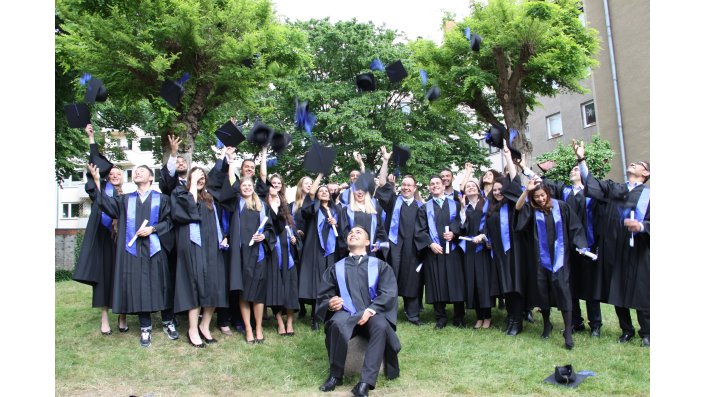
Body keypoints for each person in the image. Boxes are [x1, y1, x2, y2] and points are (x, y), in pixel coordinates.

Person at [88, 163, 177, 348]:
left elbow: (169, 222)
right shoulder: (125, 200)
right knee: (140, 287)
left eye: (141, 171)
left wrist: (153, 228)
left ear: (151, 178)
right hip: (134, 251)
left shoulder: (162, 199)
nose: (137, 172)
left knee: (162, 284)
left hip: (155, 249)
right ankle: (145, 326)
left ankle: (168, 322)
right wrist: (97, 182)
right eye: (135, 172)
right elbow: (107, 205)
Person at [573, 139, 651, 347]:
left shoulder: (649, 196)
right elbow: (592, 184)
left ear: (646, 174)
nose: (633, 164)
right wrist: (581, 159)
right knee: (617, 290)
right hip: (614, 249)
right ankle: (627, 330)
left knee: (642, 291)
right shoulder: (615, 188)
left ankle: (647, 332)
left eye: (638, 164)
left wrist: (642, 226)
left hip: (639, 249)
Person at [316, 226, 401, 397]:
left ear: (368, 242)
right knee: (335, 323)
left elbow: (389, 293)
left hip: (372, 312)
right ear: (347, 244)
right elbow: (324, 295)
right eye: (350, 233)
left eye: (358, 233)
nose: (353, 234)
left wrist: (370, 310)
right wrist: (330, 303)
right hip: (347, 313)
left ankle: (365, 383)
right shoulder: (337, 268)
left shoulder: (380, 266)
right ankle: (335, 375)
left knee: (381, 325)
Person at [515, 177, 589, 349]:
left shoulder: (561, 206)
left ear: (547, 193)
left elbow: (575, 228)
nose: (540, 199)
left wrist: (581, 245)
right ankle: (547, 324)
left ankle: (568, 332)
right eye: (536, 197)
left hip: (560, 259)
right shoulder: (533, 210)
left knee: (563, 291)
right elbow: (518, 210)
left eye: (542, 196)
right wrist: (527, 191)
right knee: (542, 292)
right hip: (540, 259)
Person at [73, 123, 127, 335]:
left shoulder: (127, 197)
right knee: (104, 278)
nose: (114, 175)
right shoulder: (99, 191)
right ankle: (105, 318)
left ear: (123, 178)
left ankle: (122, 316)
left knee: (122, 277)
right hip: (104, 239)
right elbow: (95, 164)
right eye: (111, 174)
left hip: (121, 240)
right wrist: (91, 139)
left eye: (118, 174)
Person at [538, 165, 604, 337]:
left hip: (588, 246)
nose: (573, 171)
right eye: (572, 170)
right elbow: (544, 185)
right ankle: (576, 321)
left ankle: (595, 324)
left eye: (577, 169)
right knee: (570, 286)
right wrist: (524, 167)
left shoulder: (592, 193)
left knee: (590, 288)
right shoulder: (565, 191)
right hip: (566, 247)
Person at [170, 167, 230, 348]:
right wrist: (192, 186)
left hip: (212, 247)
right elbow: (189, 212)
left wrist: (222, 237)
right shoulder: (180, 193)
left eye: (203, 177)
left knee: (214, 285)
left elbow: (216, 221)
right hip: (193, 246)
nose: (201, 179)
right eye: (197, 177)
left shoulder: (209, 197)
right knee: (194, 286)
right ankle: (192, 329)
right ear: (189, 178)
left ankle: (205, 325)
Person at [222, 161, 275, 344]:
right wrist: (229, 160)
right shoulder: (235, 204)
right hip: (240, 255)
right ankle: (248, 329)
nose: (246, 187)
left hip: (258, 255)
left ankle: (259, 326)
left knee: (258, 294)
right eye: (243, 185)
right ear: (240, 188)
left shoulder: (261, 206)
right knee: (243, 293)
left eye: (249, 186)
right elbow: (229, 185)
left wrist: (264, 237)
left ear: (253, 188)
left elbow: (270, 229)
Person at [483, 141, 528, 336]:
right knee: (506, 287)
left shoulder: (511, 205)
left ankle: (517, 320)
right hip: (500, 253)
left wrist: (508, 156)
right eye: (494, 190)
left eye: (500, 189)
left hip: (516, 251)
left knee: (515, 285)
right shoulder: (491, 210)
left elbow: (515, 181)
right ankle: (511, 317)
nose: (497, 192)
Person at [414, 175, 465, 329]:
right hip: (434, 251)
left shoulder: (455, 205)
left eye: (438, 183)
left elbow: (461, 222)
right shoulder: (424, 208)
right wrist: (430, 244)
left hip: (453, 250)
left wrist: (454, 233)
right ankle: (440, 317)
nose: (435, 186)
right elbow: (420, 230)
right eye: (432, 184)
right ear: (429, 188)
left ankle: (459, 317)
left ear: (444, 186)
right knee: (436, 283)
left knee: (456, 283)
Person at [458, 166, 496, 330]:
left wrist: (483, 236)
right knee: (472, 282)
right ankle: (479, 317)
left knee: (483, 283)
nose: (471, 187)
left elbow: (490, 224)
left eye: (473, 185)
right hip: (469, 250)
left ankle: (487, 316)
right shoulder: (465, 207)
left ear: (478, 189)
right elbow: (462, 227)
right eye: (468, 186)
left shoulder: (486, 204)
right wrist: (461, 208)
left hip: (482, 249)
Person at [299, 184, 342, 331]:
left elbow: (343, 228)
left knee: (329, 281)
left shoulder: (337, 209)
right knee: (316, 281)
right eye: (321, 191)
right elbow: (304, 213)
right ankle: (315, 317)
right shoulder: (313, 209)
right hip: (315, 249)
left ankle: (327, 314)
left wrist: (336, 223)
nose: (324, 193)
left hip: (332, 250)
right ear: (316, 195)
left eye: (326, 191)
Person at [266, 186, 302, 336]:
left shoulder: (289, 221)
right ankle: (280, 322)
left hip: (289, 262)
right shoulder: (267, 219)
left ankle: (289, 322)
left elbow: (298, 242)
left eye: (278, 201)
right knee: (276, 292)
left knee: (291, 292)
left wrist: (295, 240)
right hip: (274, 261)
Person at [290, 174, 323, 320]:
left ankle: (311, 305)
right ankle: (301, 306)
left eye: (311, 183)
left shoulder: (314, 203)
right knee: (297, 273)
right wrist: (294, 231)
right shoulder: (293, 204)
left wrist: (320, 176)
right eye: (306, 182)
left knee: (307, 274)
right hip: (295, 242)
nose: (309, 185)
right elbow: (288, 222)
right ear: (300, 185)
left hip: (309, 242)